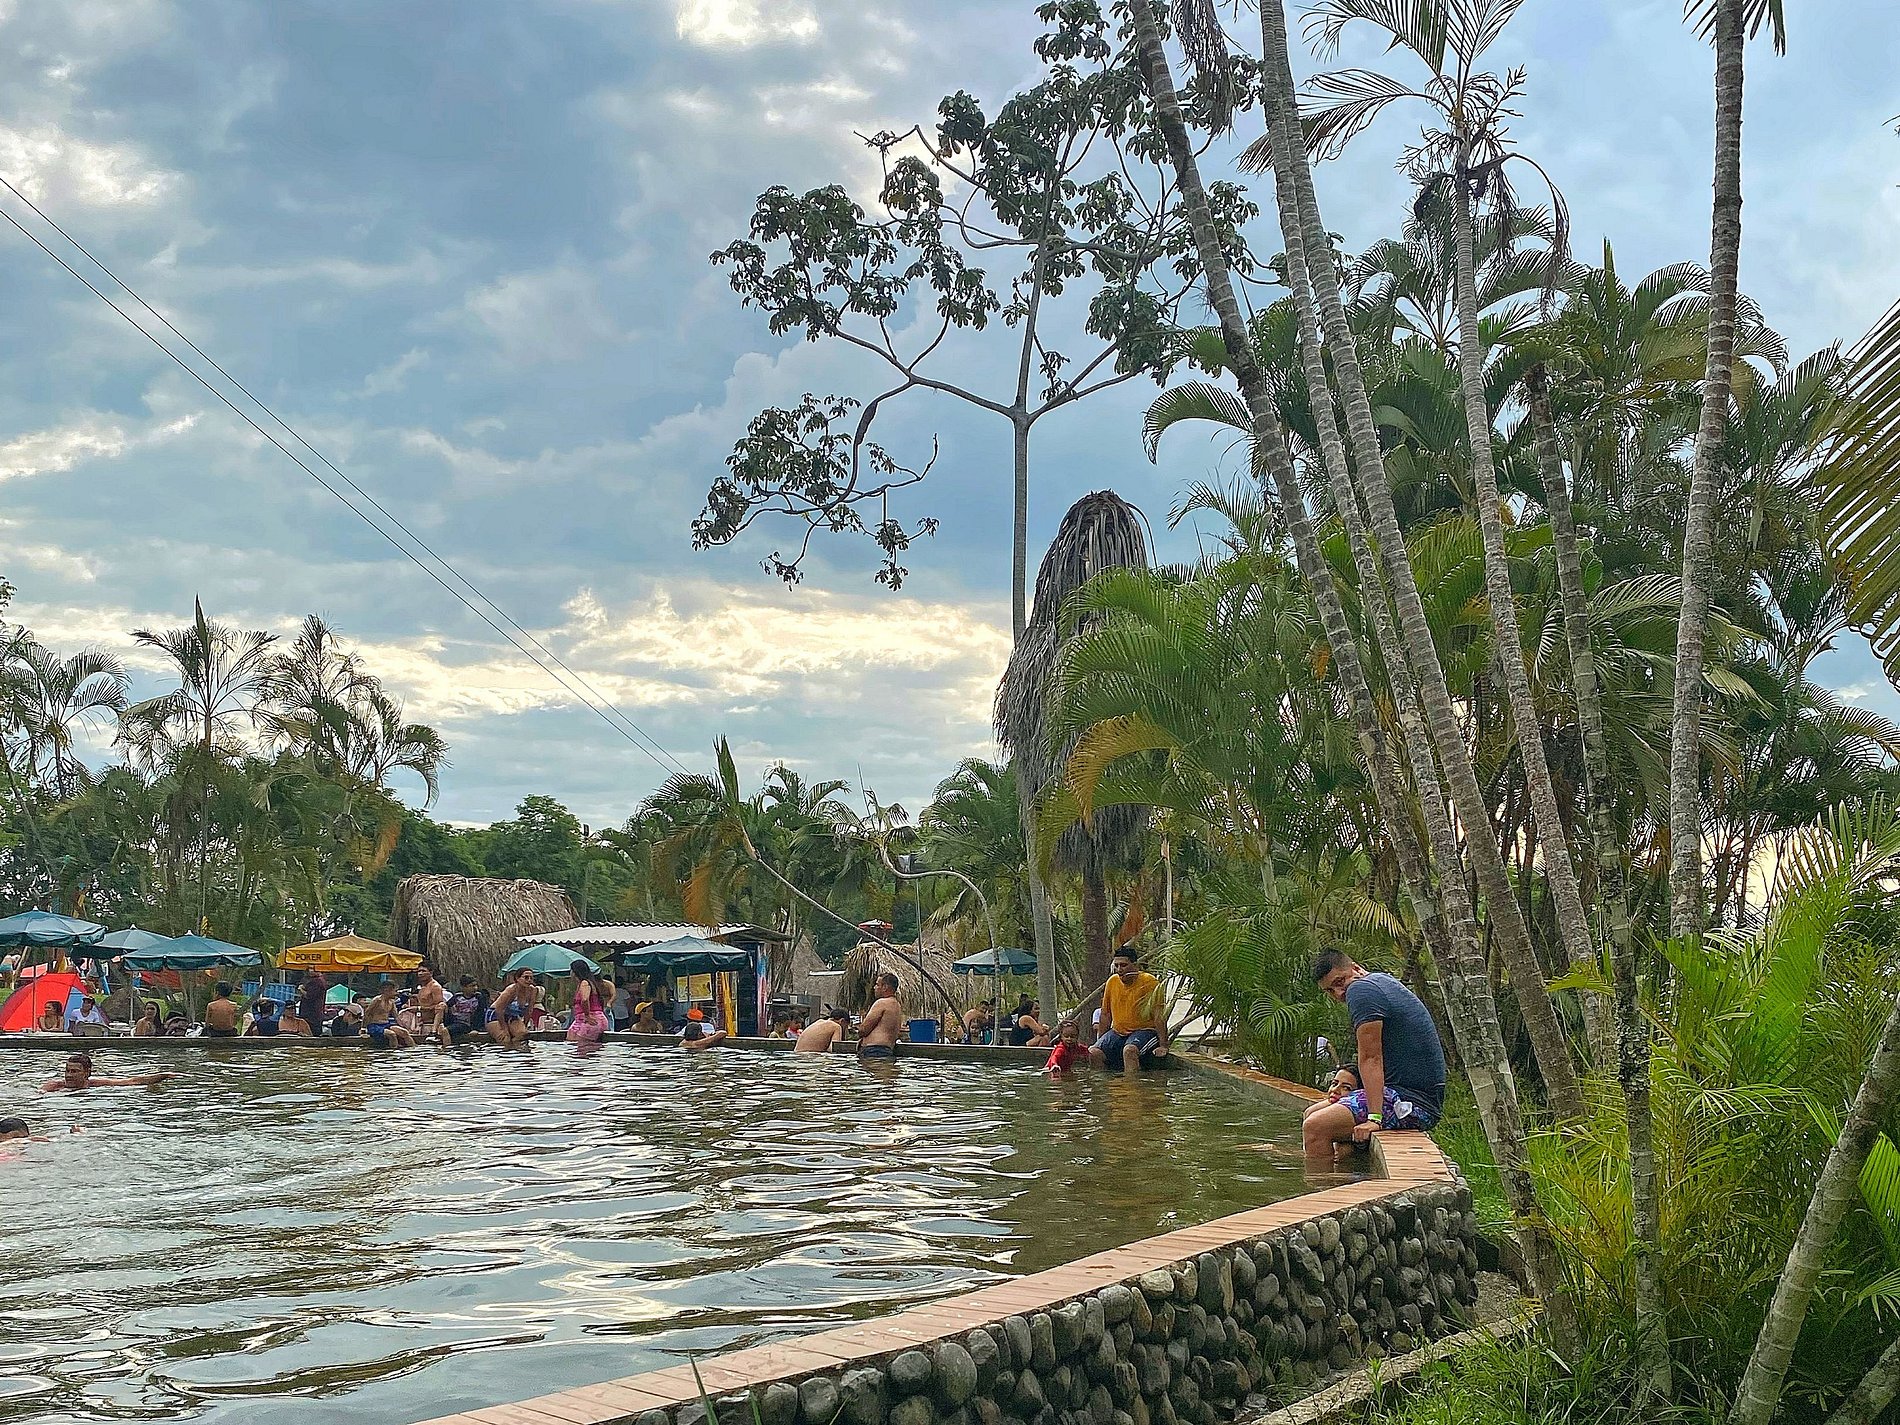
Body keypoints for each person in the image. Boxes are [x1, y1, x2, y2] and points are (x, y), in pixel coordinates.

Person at [1305, 952, 1446, 1160]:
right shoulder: (1380, 980)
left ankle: (1320, 1181)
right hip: (1407, 1095)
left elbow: (1371, 1058)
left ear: (1355, 968)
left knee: (1315, 1127)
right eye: (1330, 990)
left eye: (1339, 982)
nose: (1339, 993)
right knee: (1311, 1113)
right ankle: (1346, 1170)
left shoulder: (1360, 990)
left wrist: (1374, 1119)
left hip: (1412, 1103)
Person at [1090, 952, 1170, 1072]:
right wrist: (1101, 1040)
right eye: (1116, 965)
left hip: (1145, 1031)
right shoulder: (1112, 981)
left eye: (1123, 965)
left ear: (1135, 965)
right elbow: (1106, 1014)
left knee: (1129, 1051)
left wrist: (1163, 1045)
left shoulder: (1149, 982)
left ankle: (1131, 1083)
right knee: (1093, 1052)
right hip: (1118, 1032)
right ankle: (1103, 1082)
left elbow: (1158, 1015)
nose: (1119, 969)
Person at [43, 1051, 176, 1092]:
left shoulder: (95, 1084)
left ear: (86, 1073)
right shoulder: (54, 1086)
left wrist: (164, 1075)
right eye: (67, 1071)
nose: (68, 1075)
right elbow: (39, 1095)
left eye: (74, 1071)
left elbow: (132, 1081)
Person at [856, 973, 902, 1059]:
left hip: (874, 1050)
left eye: (877, 984)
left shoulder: (882, 1003)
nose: (874, 988)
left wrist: (860, 1031)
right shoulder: (896, 1005)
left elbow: (864, 1029)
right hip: (886, 1049)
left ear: (885, 987)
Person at [486, 968, 535, 1047]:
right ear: (517, 978)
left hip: (512, 1016)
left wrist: (524, 1025)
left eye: (531, 978)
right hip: (495, 1015)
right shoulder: (511, 990)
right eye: (526, 977)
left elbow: (529, 1010)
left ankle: (515, 1050)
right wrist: (504, 1028)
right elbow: (499, 1009)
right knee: (505, 1038)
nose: (529, 980)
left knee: (522, 1034)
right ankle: (506, 1051)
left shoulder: (532, 990)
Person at [567, 961, 610, 1044]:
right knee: (571, 1041)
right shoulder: (585, 983)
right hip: (584, 1019)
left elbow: (585, 999)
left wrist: (587, 1015)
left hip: (591, 1019)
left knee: (580, 1046)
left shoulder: (585, 983)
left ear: (575, 972)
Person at [363, 983, 415, 1048]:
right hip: (374, 1026)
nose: (396, 993)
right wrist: (363, 1029)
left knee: (404, 1032)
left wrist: (404, 1027)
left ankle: (413, 1049)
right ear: (387, 990)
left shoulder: (391, 1002)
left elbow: (396, 1017)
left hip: (386, 1024)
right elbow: (367, 1013)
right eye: (395, 991)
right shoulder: (377, 1000)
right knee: (392, 1034)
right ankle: (393, 1051)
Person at [410, 965, 449, 1047]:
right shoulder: (421, 987)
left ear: (431, 973)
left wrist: (419, 1008)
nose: (420, 973)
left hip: (433, 1024)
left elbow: (438, 1007)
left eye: (423, 971)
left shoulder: (435, 987)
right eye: (419, 971)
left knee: (441, 1006)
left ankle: (433, 1033)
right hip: (422, 1023)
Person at [443, 975, 488, 1044]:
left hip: (467, 1024)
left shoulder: (478, 998)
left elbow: (481, 1013)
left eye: (476, 985)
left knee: (445, 1030)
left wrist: (475, 1029)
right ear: (463, 987)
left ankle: (446, 1048)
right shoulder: (457, 997)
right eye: (472, 986)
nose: (475, 988)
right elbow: (447, 1005)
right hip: (456, 1022)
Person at [296, 972, 329, 1036]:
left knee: (309, 1034)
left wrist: (301, 989)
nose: (309, 971)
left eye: (312, 969)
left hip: (311, 1015)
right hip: (314, 1014)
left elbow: (309, 995)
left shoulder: (317, 981)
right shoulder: (318, 981)